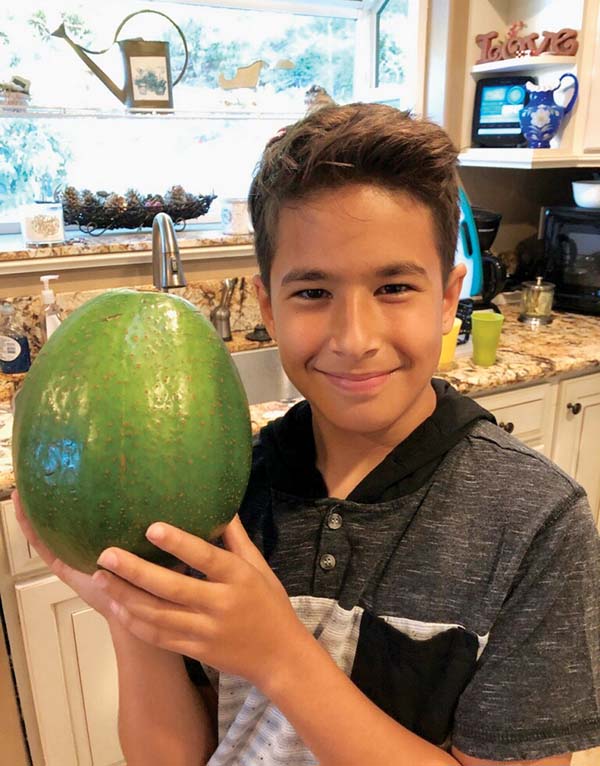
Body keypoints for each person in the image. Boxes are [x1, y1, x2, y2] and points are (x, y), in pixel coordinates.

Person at [14, 103, 600, 766]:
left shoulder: (536, 524)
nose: (354, 339)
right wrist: (132, 615)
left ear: (447, 298)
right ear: (269, 306)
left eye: (395, 286)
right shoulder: (217, 488)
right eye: (313, 292)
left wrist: (279, 655)